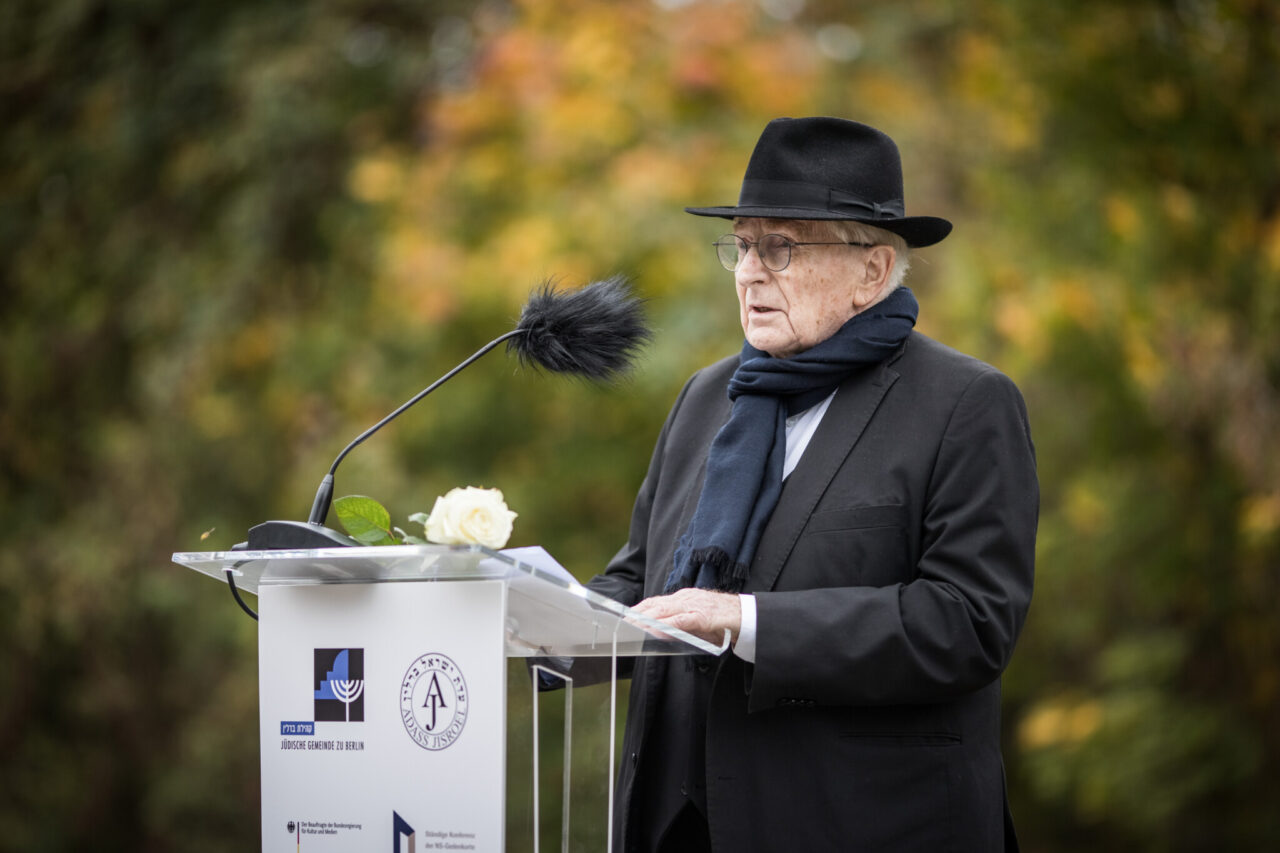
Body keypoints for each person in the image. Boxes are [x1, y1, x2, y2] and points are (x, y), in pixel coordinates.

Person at [582, 117, 1038, 852]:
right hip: (674, 825)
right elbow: (640, 579)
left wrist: (744, 620)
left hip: (857, 823)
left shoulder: (965, 403)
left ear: (873, 270)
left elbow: (967, 623)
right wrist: (510, 604)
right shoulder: (707, 395)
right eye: (742, 243)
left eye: (781, 246)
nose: (748, 270)